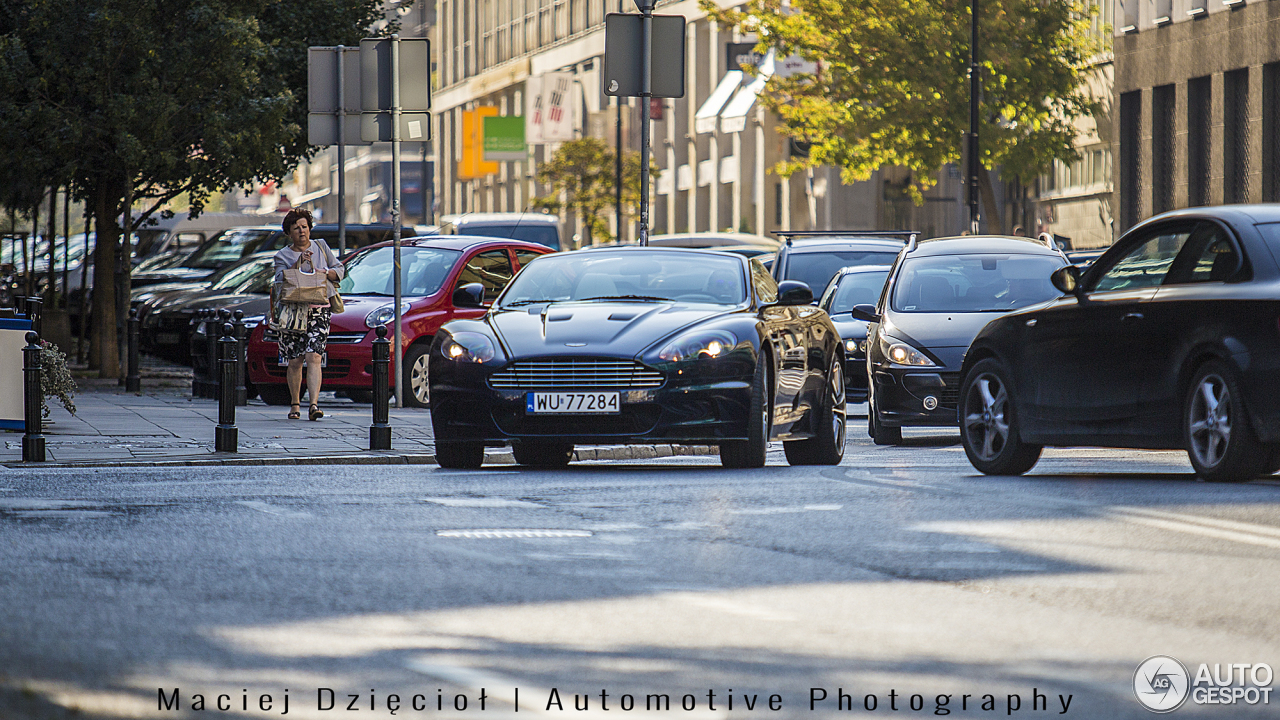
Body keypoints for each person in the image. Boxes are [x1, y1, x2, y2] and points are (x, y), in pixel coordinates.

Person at [269, 209, 344, 420]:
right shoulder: (282, 255)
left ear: (310, 228)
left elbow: (339, 269)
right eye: (296, 228)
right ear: (289, 233)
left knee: (315, 356)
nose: (301, 231)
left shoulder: (321, 246)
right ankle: (295, 404)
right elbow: (279, 280)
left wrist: (326, 273)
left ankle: (313, 404)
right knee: (294, 360)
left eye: (304, 227)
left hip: (319, 309)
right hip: (293, 312)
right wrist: (298, 262)